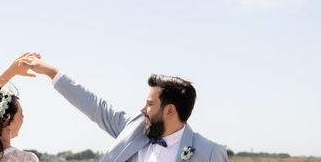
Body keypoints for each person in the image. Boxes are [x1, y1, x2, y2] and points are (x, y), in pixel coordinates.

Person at [25, 57, 228, 162]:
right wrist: (52, 73)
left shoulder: (209, 152)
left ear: (170, 111)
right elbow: (95, 106)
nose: (142, 110)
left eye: (150, 104)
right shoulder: (134, 128)